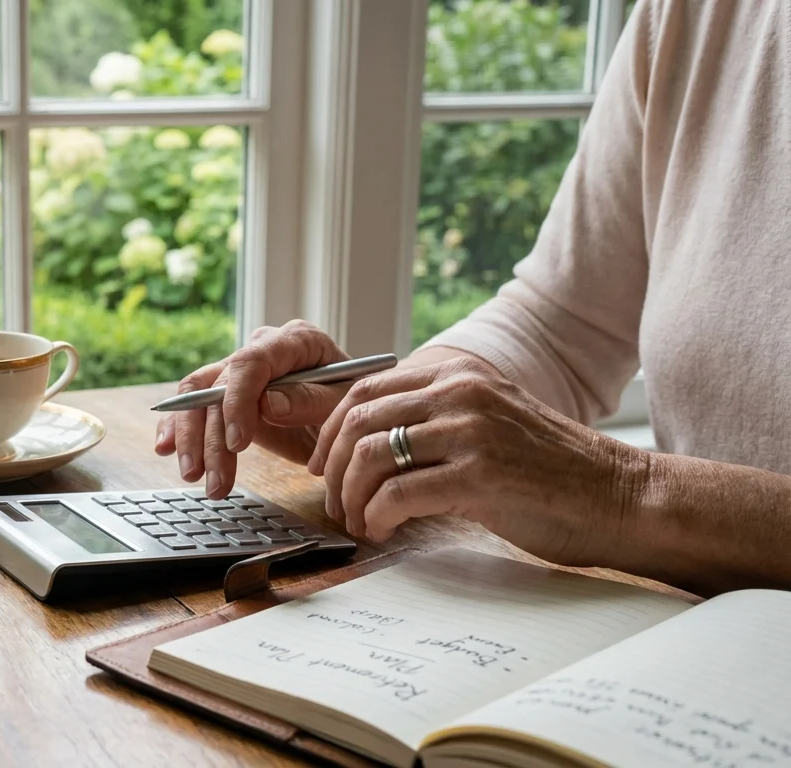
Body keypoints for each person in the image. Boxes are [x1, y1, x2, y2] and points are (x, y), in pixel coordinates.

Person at [154, 0, 791, 598]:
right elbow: (560, 325)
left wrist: (618, 492)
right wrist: (394, 414)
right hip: (685, 629)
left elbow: (605, 467)